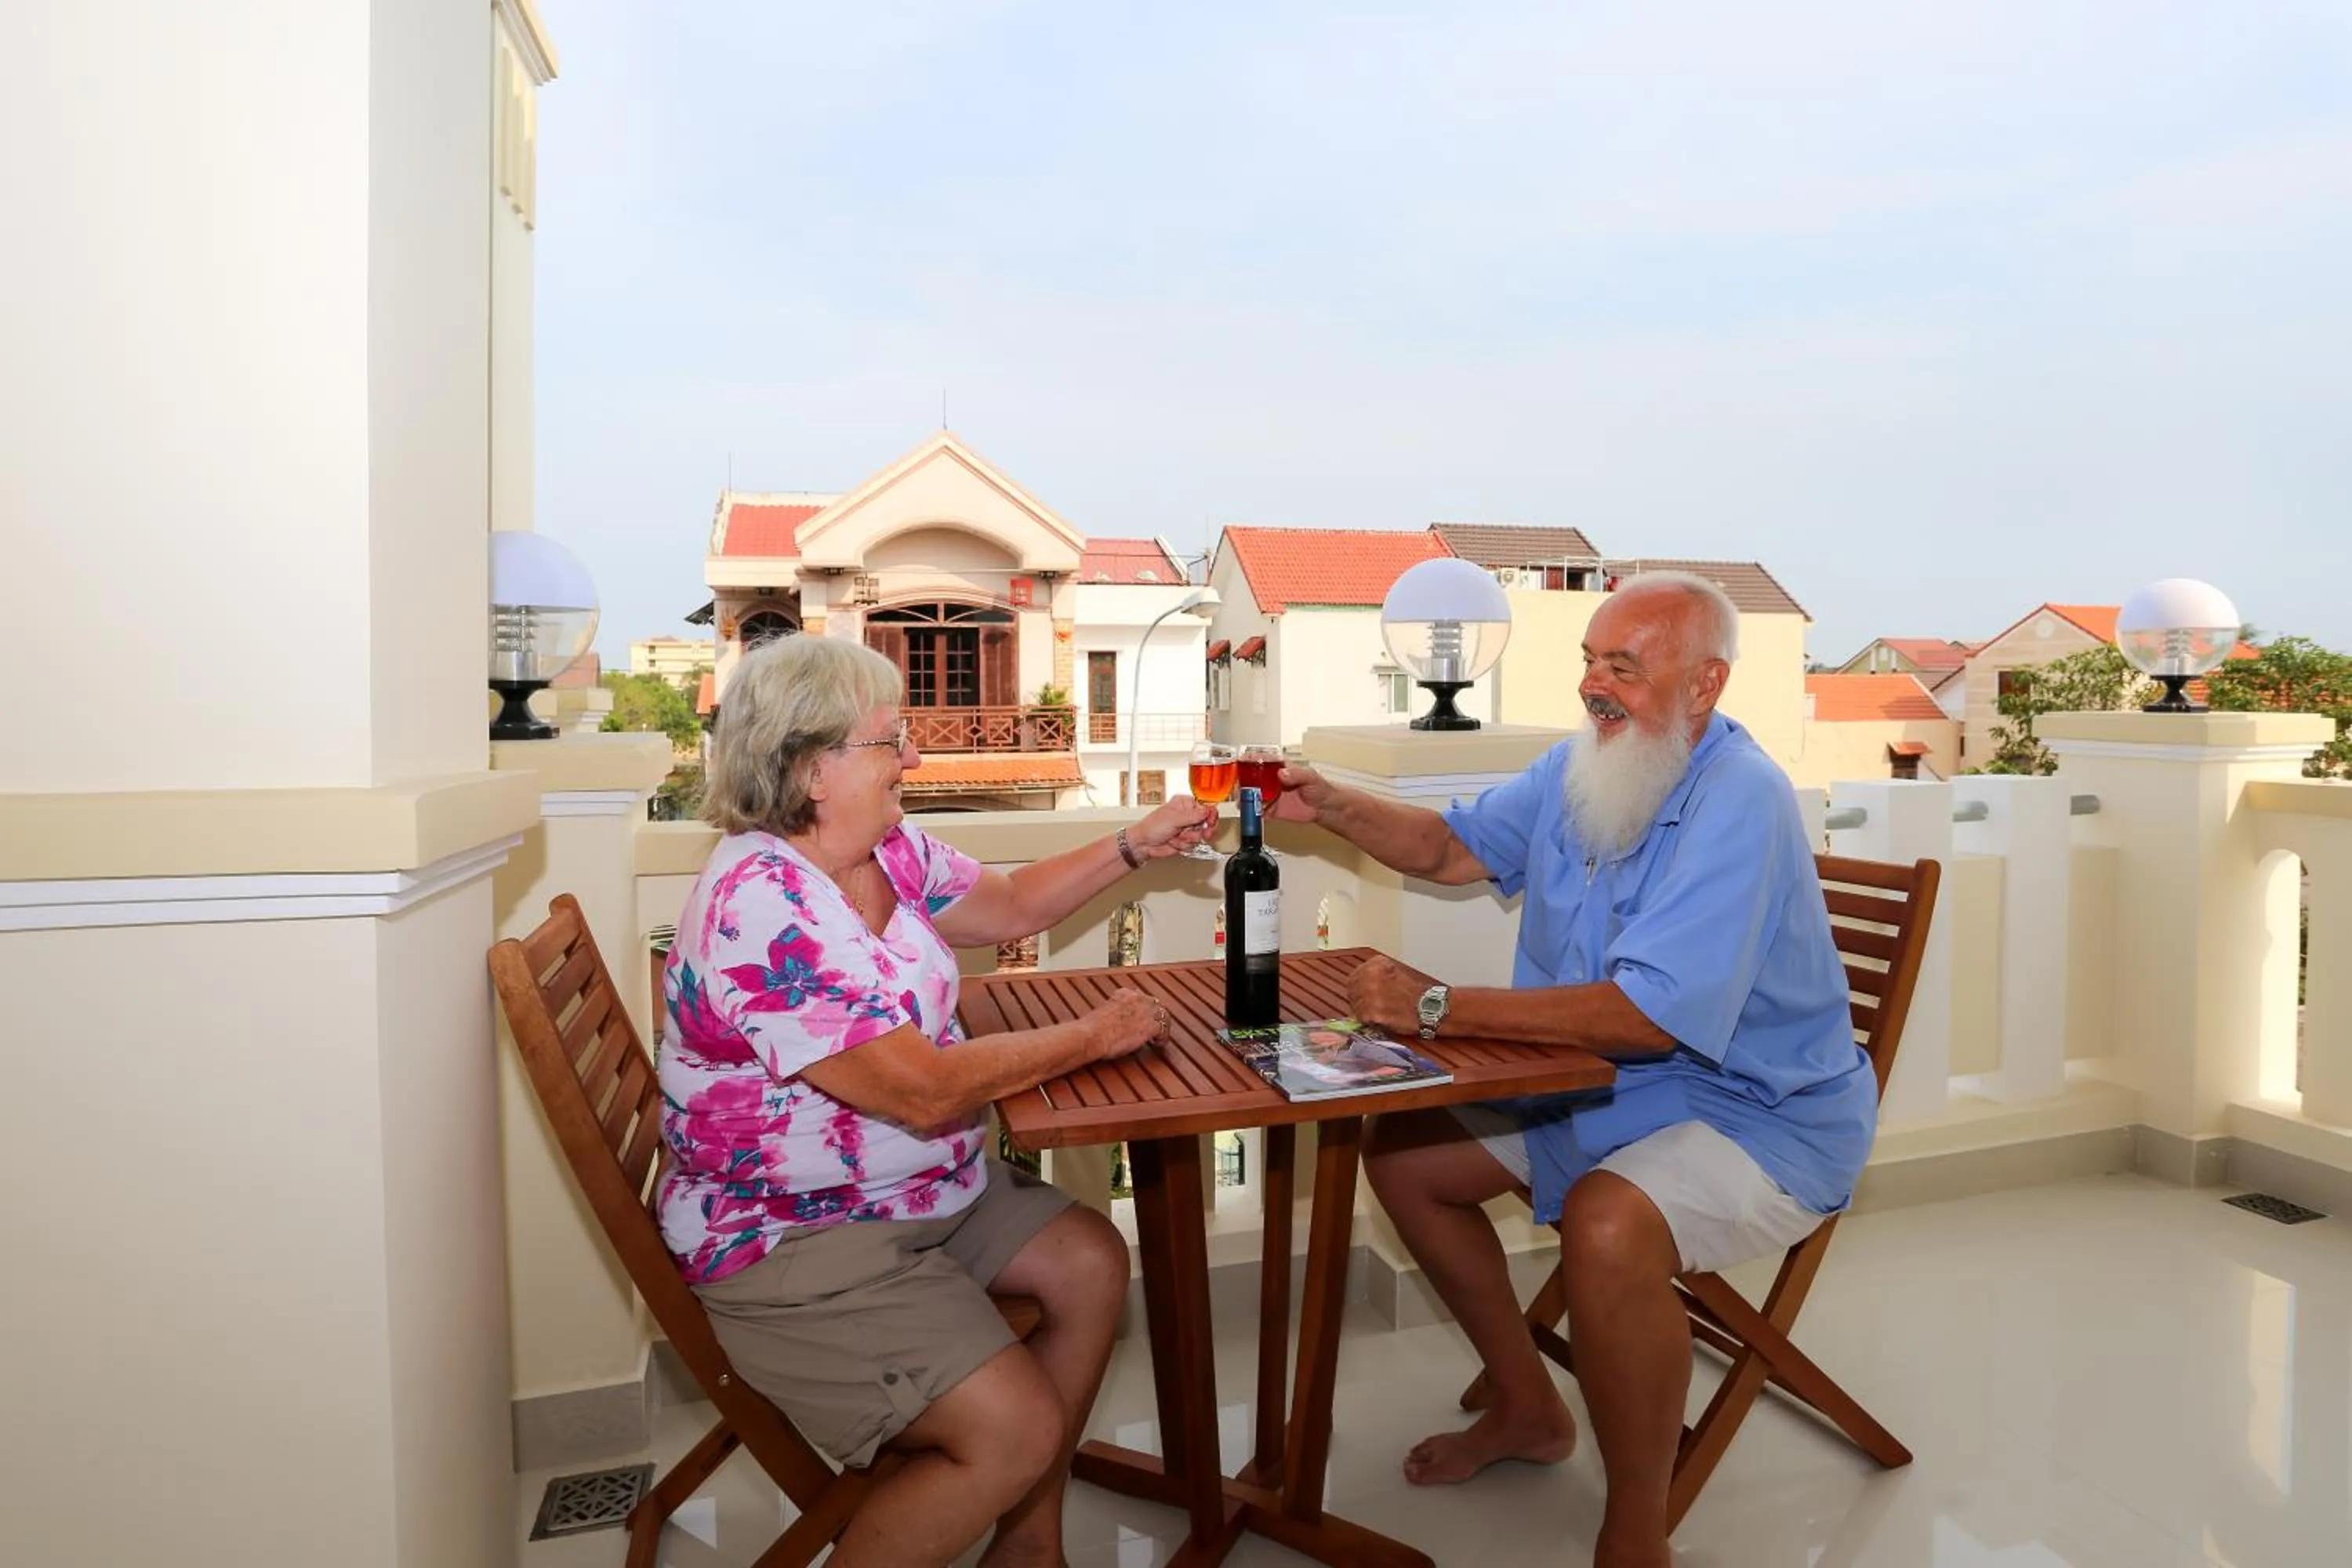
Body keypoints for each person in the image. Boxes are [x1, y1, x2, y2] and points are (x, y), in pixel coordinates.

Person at [1269, 572, 1869, 1568]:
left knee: (1606, 1219)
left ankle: (1638, 1525)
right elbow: (1453, 846)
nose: (1593, 684)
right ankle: (1527, 1403)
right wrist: (1332, 804)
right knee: (1408, 1155)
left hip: (1759, 1116)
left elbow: (1644, 1015)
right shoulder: (1584, 762)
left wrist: (1437, 1006)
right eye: (1590, 659)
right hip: (1607, 1082)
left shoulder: (1742, 799)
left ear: (1706, 682)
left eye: (1622, 667)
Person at [658, 634, 1216, 1568]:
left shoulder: (884, 847)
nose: (913, 756)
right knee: (1013, 1427)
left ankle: (1028, 1547)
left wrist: (1133, 843)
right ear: (813, 767)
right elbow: (922, 1089)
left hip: (922, 1193)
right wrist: (1091, 1034)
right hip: (798, 1235)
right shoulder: (765, 903)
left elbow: (1005, 907)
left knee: (1088, 1261)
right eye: (892, 739)